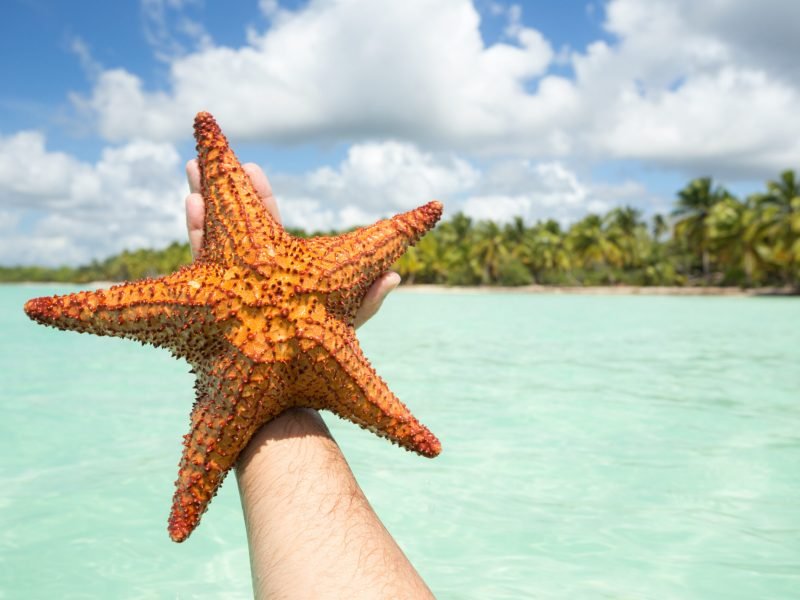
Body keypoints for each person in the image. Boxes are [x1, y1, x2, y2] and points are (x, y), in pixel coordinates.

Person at [184, 159, 435, 600]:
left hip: (250, 360)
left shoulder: (209, 300)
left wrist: (251, 391)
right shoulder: (324, 272)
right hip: (306, 337)